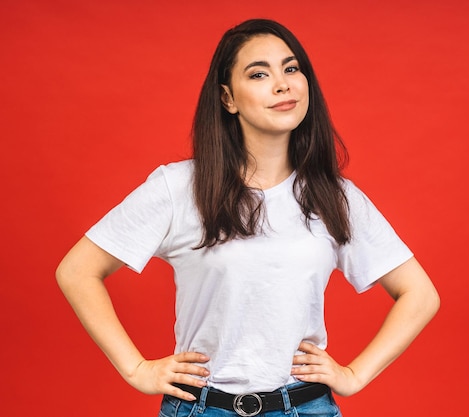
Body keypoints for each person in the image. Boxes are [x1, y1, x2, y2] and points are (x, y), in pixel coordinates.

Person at [56, 18, 440, 417]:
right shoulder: (178, 187)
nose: (282, 83)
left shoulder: (334, 196)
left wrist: (355, 375)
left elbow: (421, 295)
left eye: (291, 69)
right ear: (228, 99)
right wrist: (135, 368)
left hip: (305, 407)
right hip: (202, 408)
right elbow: (78, 270)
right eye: (259, 73)